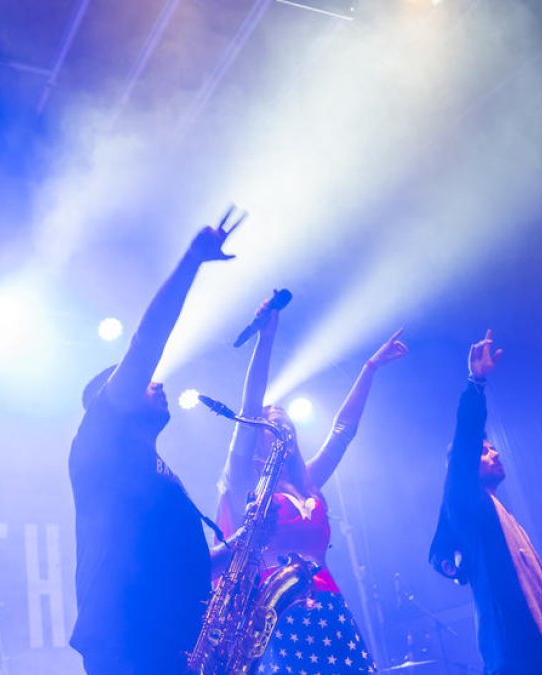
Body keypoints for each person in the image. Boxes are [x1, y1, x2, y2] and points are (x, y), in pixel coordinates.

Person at [69, 208, 245, 674]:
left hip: (181, 639)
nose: (158, 383)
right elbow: (147, 343)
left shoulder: (157, 469)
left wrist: (238, 547)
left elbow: (173, 560)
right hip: (130, 638)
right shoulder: (100, 439)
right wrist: (192, 261)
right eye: (146, 383)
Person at [214, 294, 407, 673]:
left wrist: (369, 368)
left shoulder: (308, 483)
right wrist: (266, 339)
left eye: (286, 420)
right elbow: (249, 409)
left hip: (330, 602)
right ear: (260, 434)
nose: (282, 423)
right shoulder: (246, 485)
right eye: (273, 421)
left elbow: (343, 432)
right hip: (279, 611)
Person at [429, 330, 542, 675]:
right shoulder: (468, 503)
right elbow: (464, 440)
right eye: (483, 450)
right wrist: (475, 383)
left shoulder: (497, 512)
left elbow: (515, 567)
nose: (494, 452)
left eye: (492, 447)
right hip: (516, 656)